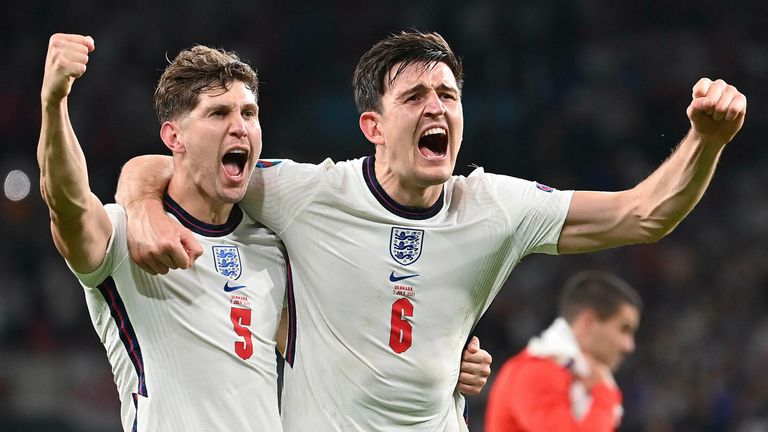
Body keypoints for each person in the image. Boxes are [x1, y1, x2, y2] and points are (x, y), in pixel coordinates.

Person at [117, 31, 745, 431]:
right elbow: (182, 166)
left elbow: (644, 214)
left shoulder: (496, 207)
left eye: (448, 94)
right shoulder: (306, 193)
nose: (437, 107)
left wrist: (706, 141)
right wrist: (141, 203)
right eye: (415, 96)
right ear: (373, 126)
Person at [37, 33, 492, 431]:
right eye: (218, 114)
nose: (240, 126)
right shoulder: (126, 237)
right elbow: (68, 202)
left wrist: (442, 358)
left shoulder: (272, 246)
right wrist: (54, 102)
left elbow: (348, 347)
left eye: (249, 113)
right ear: (174, 137)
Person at [485, 271, 642, 431]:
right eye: (624, 329)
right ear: (588, 322)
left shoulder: (579, 377)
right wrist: (604, 394)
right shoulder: (536, 371)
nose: (629, 346)